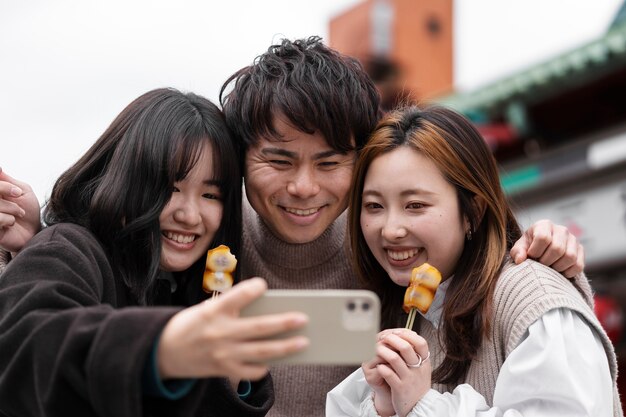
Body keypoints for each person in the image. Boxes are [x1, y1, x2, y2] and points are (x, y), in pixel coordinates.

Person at [2, 37, 586, 417]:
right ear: (242, 160)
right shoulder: (212, 243)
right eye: (278, 161)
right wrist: (48, 231)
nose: (303, 189)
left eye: (330, 163)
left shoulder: (383, 257)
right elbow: (57, 322)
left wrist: (542, 257)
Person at [0, 88, 310, 417]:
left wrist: (230, 380)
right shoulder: (69, 247)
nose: (190, 215)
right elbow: (29, 345)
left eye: (210, 195)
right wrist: (160, 349)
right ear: (126, 178)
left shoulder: (193, 287)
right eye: (171, 188)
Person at [326, 104, 621, 417]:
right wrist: (382, 408)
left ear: (474, 212)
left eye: (415, 205)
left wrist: (422, 406)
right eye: (374, 206)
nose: (391, 229)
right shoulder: (409, 314)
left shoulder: (534, 303)